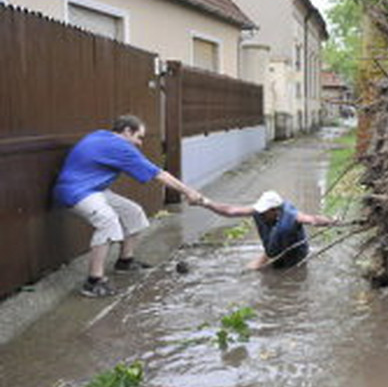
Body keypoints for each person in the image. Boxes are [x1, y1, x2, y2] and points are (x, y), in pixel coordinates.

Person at [53, 115, 203, 297]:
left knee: (134, 212)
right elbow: (158, 174)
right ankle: (93, 281)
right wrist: (189, 192)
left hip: (94, 189)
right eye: (139, 137)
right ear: (126, 131)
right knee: (107, 221)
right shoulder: (120, 147)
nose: (140, 143)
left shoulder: (101, 135)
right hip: (77, 191)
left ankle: (125, 261)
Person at [200, 191, 336, 269]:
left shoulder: (291, 216)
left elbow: (312, 219)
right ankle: (264, 260)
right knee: (258, 271)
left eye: (265, 212)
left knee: (292, 279)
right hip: (273, 251)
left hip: (295, 256)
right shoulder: (260, 211)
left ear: (275, 210)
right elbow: (231, 211)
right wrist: (206, 203)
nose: (261, 214)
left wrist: (332, 221)